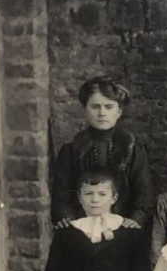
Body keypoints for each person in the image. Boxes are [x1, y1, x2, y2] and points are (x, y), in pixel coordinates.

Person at [50, 77, 154, 230]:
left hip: (123, 227)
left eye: (108, 107)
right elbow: (62, 192)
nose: (102, 113)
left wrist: (134, 219)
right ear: (85, 110)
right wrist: (67, 219)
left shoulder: (132, 150)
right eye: (95, 106)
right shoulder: (71, 151)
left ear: (119, 112)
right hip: (81, 227)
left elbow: (143, 192)